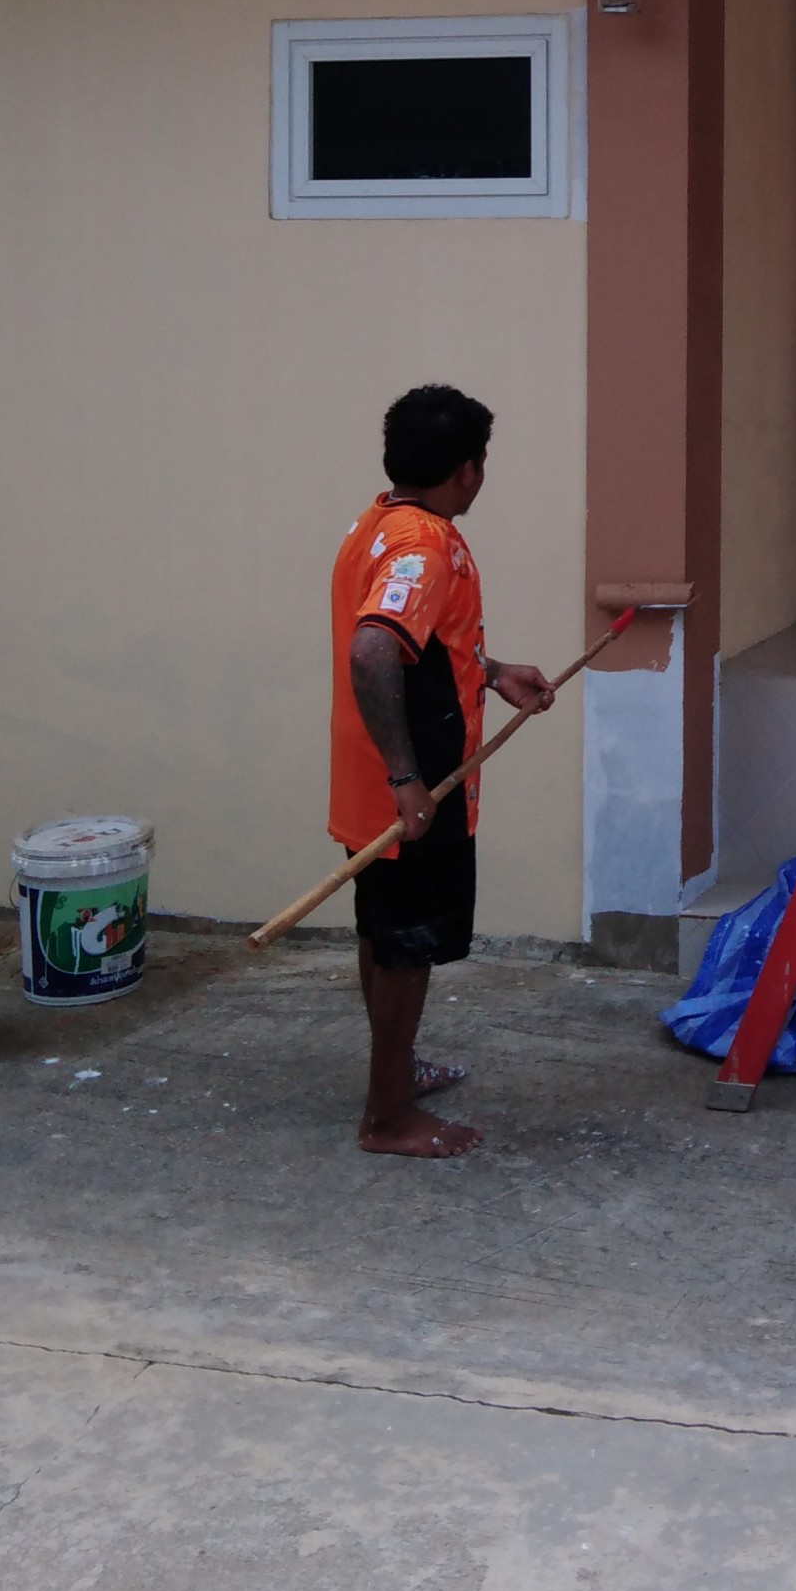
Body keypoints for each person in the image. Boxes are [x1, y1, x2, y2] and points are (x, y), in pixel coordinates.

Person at [328, 383, 557, 1159]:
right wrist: (406, 778)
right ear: (467, 470)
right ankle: (386, 1117)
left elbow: (414, 644)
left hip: (375, 780)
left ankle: (395, 1075)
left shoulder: (379, 523)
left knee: (383, 932)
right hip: (416, 790)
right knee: (407, 947)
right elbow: (373, 649)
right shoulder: (425, 549)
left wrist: (490, 672)